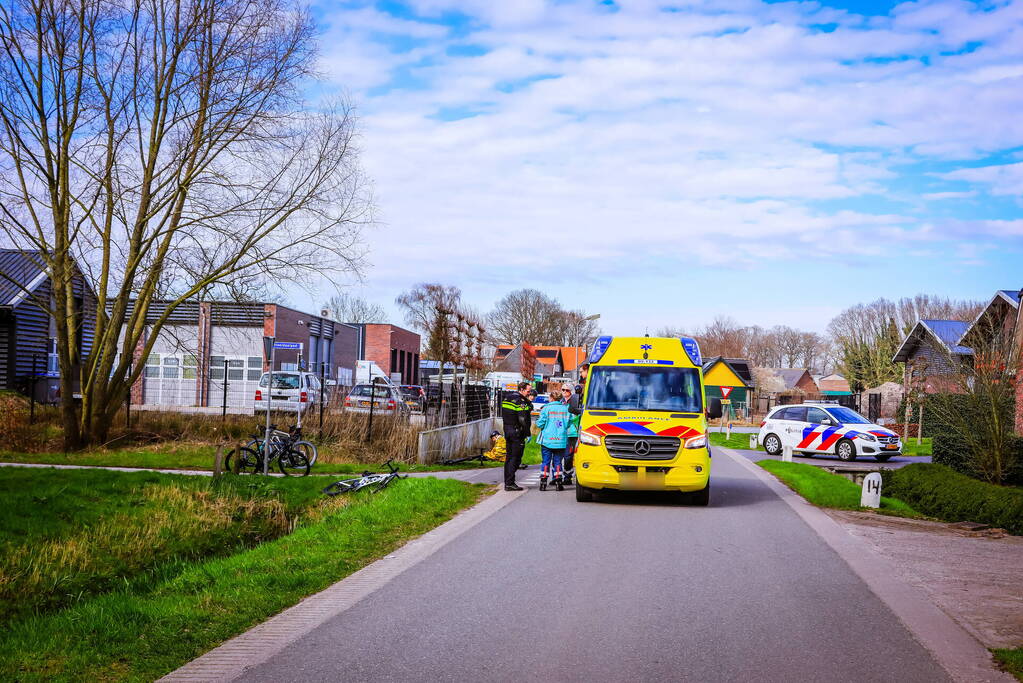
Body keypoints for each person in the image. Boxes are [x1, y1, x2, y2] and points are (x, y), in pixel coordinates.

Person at [535, 388, 570, 491]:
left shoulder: (546, 409)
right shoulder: (565, 409)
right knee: (558, 462)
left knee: (546, 461)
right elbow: (568, 423)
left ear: (551, 398)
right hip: (561, 440)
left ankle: (543, 483)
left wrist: (543, 425)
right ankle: (559, 483)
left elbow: (540, 423)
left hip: (547, 440)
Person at [501, 382, 532, 491]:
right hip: (517, 432)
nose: (529, 393)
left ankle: (508, 482)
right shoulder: (521, 401)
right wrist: (527, 433)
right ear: (522, 389)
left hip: (507, 429)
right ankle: (510, 483)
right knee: (516, 458)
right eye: (528, 391)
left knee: (509, 458)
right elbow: (522, 419)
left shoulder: (507, 398)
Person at [564, 385, 581, 483]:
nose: (565, 392)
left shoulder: (578, 401)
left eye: (567, 390)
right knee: (567, 456)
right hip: (569, 433)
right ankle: (567, 476)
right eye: (563, 390)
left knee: (571, 455)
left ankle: (573, 476)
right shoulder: (563, 404)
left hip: (576, 433)